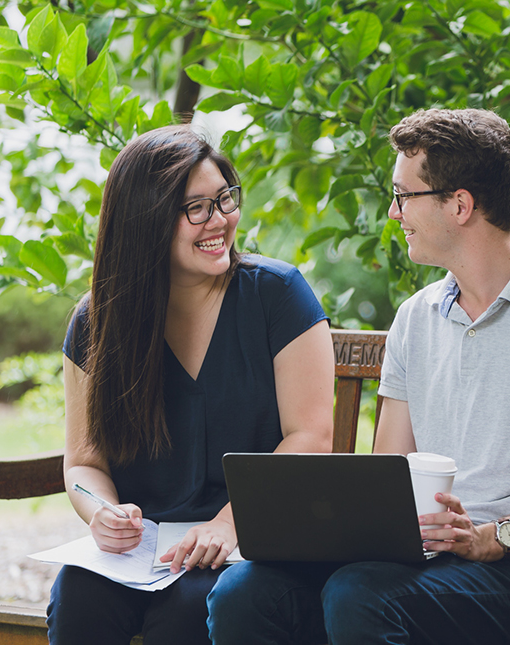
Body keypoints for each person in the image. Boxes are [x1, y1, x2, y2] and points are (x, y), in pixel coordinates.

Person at [206, 108, 510, 644]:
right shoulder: (416, 316)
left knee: (358, 596)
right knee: (244, 591)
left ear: (460, 204)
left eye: (404, 196)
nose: (393, 212)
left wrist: (490, 537)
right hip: (411, 560)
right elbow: (392, 472)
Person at [47, 125, 335, 645]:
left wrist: (228, 524)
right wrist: (102, 512)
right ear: (145, 222)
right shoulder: (97, 321)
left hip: (251, 546)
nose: (220, 220)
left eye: (225, 198)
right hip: (147, 552)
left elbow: (311, 437)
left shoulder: (277, 295)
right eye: (196, 208)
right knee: (78, 594)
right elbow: (85, 461)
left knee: (187, 609)